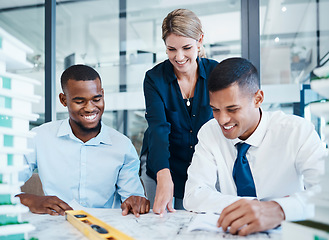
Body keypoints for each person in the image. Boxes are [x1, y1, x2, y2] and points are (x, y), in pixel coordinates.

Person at [183, 57, 326, 235]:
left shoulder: (297, 131)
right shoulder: (209, 133)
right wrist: (252, 207)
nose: (222, 120)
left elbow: (324, 194)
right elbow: (193, 194)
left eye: (232, 109)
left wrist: (278, 209)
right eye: (215, 109)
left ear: (258, 99)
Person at [17, 64, 150, 217]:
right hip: (55, 226)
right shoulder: (39, 137)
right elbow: (4, 185)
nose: (89, 108)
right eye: (80, 101)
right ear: (63, 100)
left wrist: (136, 201)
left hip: (105, 228)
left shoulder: (122, 146)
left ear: (103, 95)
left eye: (96, 99)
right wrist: (29, 200)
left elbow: (132, 197)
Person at [140, 8, 218, 215]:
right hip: (163, 163)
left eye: (186, 47)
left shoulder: (217, 74)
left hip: (205, 167)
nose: (179, 57)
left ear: (200, 41)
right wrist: (163, 175)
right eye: (171, 49)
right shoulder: (154, 79)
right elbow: (158, 129)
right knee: (160, 225)